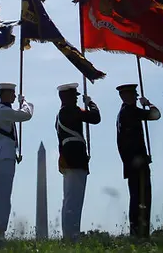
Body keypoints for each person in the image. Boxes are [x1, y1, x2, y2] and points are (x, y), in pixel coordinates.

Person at [55, 82, 101, 242]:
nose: (76, 99)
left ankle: (69, 235)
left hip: (70, 158)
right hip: (75, 159)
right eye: (73, 96)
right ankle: (71, 236)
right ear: (65, 97)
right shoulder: (70, 110)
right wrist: (91, 103)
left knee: (70, 200)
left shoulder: (61, 114)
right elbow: (95, 118)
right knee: (74, 201)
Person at [115, 83, 161, 240]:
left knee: (137, 199)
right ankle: (140, 235)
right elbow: (155, 115)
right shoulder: (130, 111)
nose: (136, 98)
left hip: (132, 164)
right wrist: (148, 104)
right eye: (133, 95)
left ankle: (138, 234)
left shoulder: (123, 113)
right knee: (142, 200)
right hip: (137, 164)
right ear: (126, 96)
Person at [0, 82, 34, 244]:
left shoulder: (3, 110)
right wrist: (25, 103)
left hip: (7, 155)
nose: (15, 96)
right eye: (12, 93)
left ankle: (0, 231)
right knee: (3, 197)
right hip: (4, 157)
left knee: (4, 196)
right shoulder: (3, 111)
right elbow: (26, 115)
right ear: (4, 94)